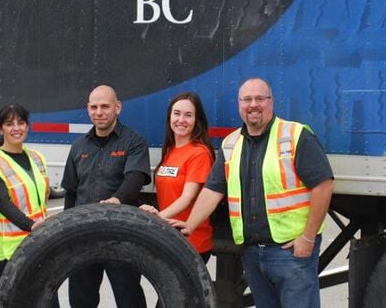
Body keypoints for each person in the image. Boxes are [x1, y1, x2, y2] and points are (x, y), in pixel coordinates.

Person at [177, 78, 334, 308]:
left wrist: (307, 238)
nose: (253, 104)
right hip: (252, 254)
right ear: (239, 104)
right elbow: (212, 190)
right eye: (247, 99)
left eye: (260, 98)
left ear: (271, 102)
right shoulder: (231, 144)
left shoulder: (295, 135)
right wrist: (189, 226)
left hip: (291, 253)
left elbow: (324, 185)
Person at [60, 85, 152, 308]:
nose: (98, 112)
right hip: (84, 237)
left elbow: (136, 177)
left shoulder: (135, 142)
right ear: (88, 108)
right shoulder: (78, 147)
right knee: (81, 301)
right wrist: (66, 233)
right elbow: (71, 193)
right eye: (94, 107)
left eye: (104, 106)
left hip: (121, 236)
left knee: (129, 300)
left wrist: (117, 200)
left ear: (117, 107)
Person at [0, 103, 58, 306]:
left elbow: (44, 194)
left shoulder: (37, 158)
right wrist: (31, 225)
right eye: (9, 123)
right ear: (0, 129)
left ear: (27, 126)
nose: (16, 128)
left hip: (40, 245)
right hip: (10, 253)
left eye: (21, 122)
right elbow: (3, 204)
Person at [140, 92, 215, 263]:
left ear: (197, 120)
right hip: (171, 239)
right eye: (177, 113)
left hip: (192, 242)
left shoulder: (199, 153)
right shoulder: (170, 150)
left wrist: (157, 218)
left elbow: (187, 198)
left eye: (188, 115)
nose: (181, 120)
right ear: (169, 117)